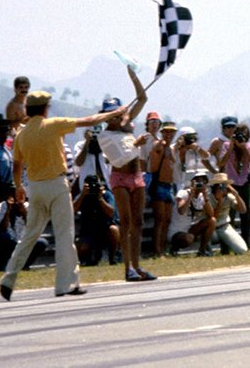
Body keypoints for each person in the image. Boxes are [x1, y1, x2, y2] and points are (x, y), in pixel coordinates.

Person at [0, 83, 127, 301]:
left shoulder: (22, 134)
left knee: (29, 235)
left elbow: (17, 165)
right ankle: (65, 284)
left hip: (35, 187)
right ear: (45, 108)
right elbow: (88, 121)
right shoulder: (53, 125)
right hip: (57, 185)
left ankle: (8, 278)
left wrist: (19, 186)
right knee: (65, 235)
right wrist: (115, 113)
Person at [95, 68, 157, 283]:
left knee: (138, 221)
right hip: (120, 178)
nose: (114, 117)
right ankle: (127, 267)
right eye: (110, 113)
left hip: (137, 176)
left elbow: (142, 98)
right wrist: (136, 145)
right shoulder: (104, 135)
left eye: (116, 113)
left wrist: (133, 76)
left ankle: (138, 266)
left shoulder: (126, 125)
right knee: (126, 221)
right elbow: (119, 160)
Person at [216, 121, 250, 245]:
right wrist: (231, 147)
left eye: (244, 135)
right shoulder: (226, 145)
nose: (241, 137)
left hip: (244, 182)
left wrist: (243, 147)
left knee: (246, 213)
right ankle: (227, 245)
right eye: (239, 135)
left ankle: (246, 243)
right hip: (230, 183)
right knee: (229, 214)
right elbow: (221, 163)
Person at [147, 120, 179, 255]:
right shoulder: (159, 145)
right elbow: (153, 164)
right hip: (159, 184)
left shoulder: (171, 148)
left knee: (167, 220)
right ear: (162, 132)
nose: (169, 134)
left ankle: (162, 248)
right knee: (160, 219)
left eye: (171, 132)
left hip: (168, 185)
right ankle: (157, 250)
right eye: (166, 131)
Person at [74, 174, 120, 266]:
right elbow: (73, 210)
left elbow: (111, 212)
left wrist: (100, 198)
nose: (92, 187)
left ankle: (113, 257)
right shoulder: (82, 195)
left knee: (114, 230)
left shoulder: (106, 194)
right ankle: (87, 259)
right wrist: (83, 195)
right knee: (82, 247)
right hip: (88, 229)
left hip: (105, 227)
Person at [0, 198, 46, 271]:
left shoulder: (28, 206)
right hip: (8, 241)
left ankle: (23, 265)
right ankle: (3, 266)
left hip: (22, 241)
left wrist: (24, 212)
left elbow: (33, 227)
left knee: (41, 242)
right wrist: (8, 211)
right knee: (4, 236)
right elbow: (1, 228)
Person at [171, 170, 215, 256]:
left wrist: (205, 197)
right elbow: (181, 211)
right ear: (192, 182)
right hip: (176, 231)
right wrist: (191, 195)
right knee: (189, 238)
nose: (200, 183)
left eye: (203, 181)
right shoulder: (183, 193)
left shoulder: (202, 197)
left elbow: (211, 214)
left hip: (189, 229)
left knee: (212, 221)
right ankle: (174, 248)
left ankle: (202, 251)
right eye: (197, 181)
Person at [208, 172, 248, 255]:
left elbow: (243, 210)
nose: (224, 188)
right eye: (221, 186)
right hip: (211, 229)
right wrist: (220, 202)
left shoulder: (229, 197)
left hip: (224, 227)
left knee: (242, 250)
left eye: (225, 185)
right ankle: (207, 251)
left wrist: (236, 194)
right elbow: (213, 217)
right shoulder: (208, 198)